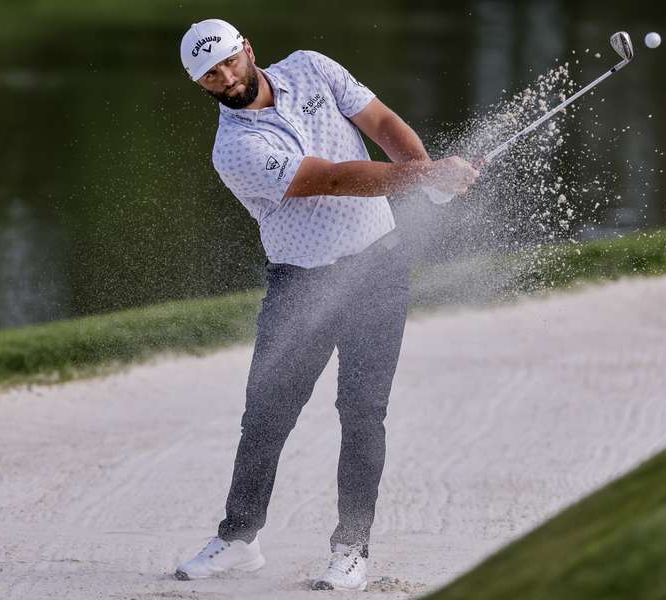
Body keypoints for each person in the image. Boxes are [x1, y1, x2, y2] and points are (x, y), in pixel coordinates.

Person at [174, 19, 479, 591]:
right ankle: (239, 539)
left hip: (379, 270)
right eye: (210, 75)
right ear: (203, 86)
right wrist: (420, 178)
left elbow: (382, 123)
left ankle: (351, 548)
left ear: (248, 50)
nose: (225, 76)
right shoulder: (234, 147)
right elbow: (333, 180)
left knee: (363, 413)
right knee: (265, 415)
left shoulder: (313, 66)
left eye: (228, 61)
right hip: (300, 286)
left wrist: (424, 170)